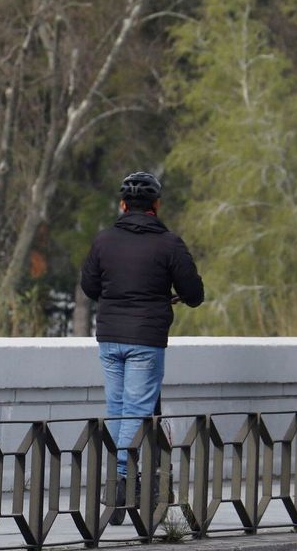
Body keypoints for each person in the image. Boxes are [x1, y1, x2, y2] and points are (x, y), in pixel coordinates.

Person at [79, 171, 204, 522]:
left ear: (122, 205)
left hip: (110, 336)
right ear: (156, 206)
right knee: (136, 410)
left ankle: (121, 482)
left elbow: (90, 287)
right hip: (146, 339)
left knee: (118, 409)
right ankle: (121, 482)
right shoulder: (169, 243)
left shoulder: (104, 241)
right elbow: (194, 294)